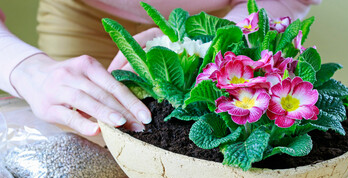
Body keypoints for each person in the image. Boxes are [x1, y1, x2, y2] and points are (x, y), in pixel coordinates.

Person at [0, 0, 321, 136]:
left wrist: (220, 36)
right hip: (83, 16)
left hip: (218, 19)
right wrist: (24, 68)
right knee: (81, 137)